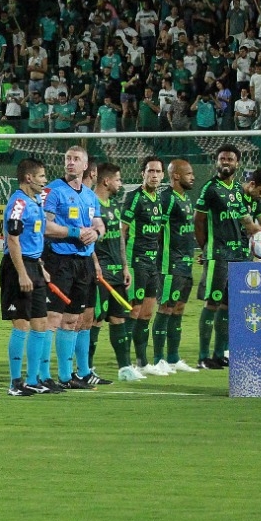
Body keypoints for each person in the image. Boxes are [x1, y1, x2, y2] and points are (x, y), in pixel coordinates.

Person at [193, 145, 261, 369]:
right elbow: (198, 221)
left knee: (229, 305)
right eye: (222, 158)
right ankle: (203, 357)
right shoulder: (211, 189)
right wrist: (206, 249)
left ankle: (220, 353)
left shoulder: (236, 193)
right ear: (216, 162)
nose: (226, 162)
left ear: (237, 164)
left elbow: (251, 224)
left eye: (230, 159)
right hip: (219, 255)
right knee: (212, 303)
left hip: (239, 256)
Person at [42, 146, 104, 389]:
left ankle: (66, 377)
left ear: (85, 166)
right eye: (67, 158)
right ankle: (44, 375)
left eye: (76, 159)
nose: (70, 162)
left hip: (84, 262)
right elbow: (45, 226)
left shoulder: (89, 195)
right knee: (53, 319)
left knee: (72, 320)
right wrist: (76, 232)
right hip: (60, 261)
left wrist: (96, 233)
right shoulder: (53, 191)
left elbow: (98, 223)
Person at [1, 159, 60, 396]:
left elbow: (32, 239)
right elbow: (12, 240)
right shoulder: (17, 203)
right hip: (18, 267)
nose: (45, 181)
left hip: (33, 265)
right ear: (29, 178)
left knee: (41, 323)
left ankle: (33, 379)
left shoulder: (35, 201)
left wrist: (40, 266)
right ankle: (15, 382)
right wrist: (23, 273)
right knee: (22, 324)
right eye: (42, 176)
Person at [123, 157, 181, 377]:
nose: (154, 175)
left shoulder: (161, 200)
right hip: (136, 262)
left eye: (158, 172)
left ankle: (142, 362)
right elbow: (123, 231)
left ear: (162, 175)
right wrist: (124, 263)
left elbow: (159, 232)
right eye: (150, 171)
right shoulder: (134, 198)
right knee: (133, 312)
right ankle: (126, 363)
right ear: (143, 174)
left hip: (153, 263)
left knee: (147, 313)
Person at [91, 162, 141, 381]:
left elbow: (120, 237)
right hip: (100, 273)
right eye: (119, 179)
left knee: (119, 317)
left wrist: (125, 266)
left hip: (117, 272)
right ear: (106, 181)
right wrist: (94, 264)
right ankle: (87, 368)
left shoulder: (113, 205)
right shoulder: (91, 204)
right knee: (95, 320)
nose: (121, 183)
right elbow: (87, 240)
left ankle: (124, 368)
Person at [156, 159, 198, 373]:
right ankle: (157, 360)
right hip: (169, 264)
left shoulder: (187, 198)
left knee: (179, 309)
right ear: (176, 176)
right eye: (189, 173)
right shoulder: (166, 198)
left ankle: (173, 358)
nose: (193, 177)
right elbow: (157, 230)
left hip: (186, 263)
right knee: (165, 308)